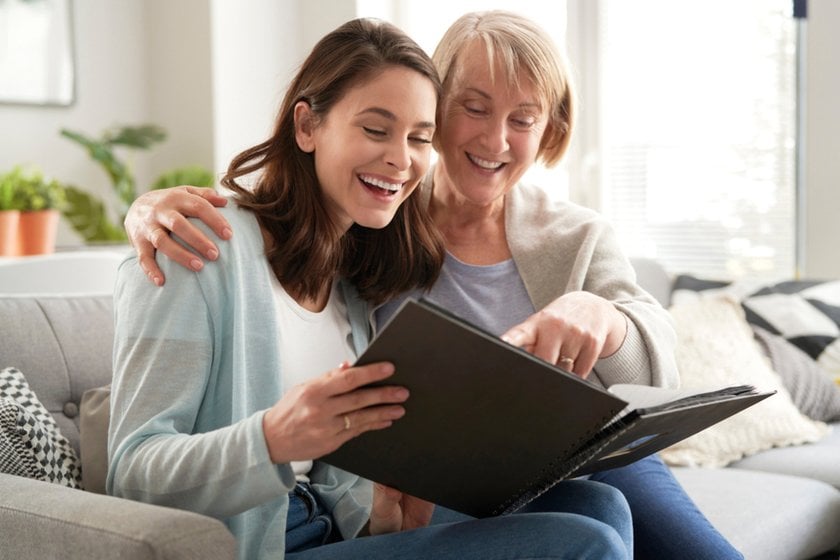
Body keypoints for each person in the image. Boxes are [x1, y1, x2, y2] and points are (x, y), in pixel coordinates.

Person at [122, 11, 742, 560]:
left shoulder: (357, 270)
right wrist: (145, 207)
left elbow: (653, 348)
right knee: (591, 540)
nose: (399, 158)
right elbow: (135, 473)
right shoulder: (273, 247)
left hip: (436, 495)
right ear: (308, 126)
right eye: (472, 109)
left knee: (605, 505)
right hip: (273, 533)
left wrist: (603, 316)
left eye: (413, 137)